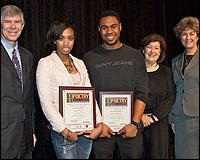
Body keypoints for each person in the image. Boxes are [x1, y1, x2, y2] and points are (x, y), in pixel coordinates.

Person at [83, 10, 149, 159]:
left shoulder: (135, 56)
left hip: (130, 129)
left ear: (120, 27)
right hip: (102, 131)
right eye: (104, 28)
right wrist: (99, 125)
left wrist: (135, 124)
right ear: (99, 30)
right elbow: (87, 96)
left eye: (113, 26)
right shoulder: (89, 58)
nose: (109, 31)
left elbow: (142, 93)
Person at [36, 20, 103, 159]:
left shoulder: (80, 63)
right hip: (63, 132)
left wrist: (100, 123)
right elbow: (46, 102)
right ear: (54, 40)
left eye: (70, 38)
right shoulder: (46, 63)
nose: (66, 43)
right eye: (61, 38)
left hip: (86, 130)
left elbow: (90, 95)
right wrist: (64, 131)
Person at [1, 5, 37, 159]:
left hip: (25, 137)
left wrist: (32, 131)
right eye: (8, 22)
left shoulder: (27, 56)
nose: (13, 27)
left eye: (17, 22)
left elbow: (29, 99)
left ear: (22, 26)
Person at [140, 33, 176, 159]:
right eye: (149, 47)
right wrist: (140, 116)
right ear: (143, 49)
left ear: (160, 52)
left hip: (158, 123)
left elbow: (171, 97)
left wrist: (154, 117)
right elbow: (130, 95)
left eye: (156, 48)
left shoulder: (166, 72)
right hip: (138, 122)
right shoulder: (135, 72)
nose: (152, 51)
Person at [168, 16, 199, 159]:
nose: (188, 37)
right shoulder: (175, 61)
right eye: (184, 34)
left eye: (191, 33)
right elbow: (173, 91)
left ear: (197, 36)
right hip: (180, 117)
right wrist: (172, 118)